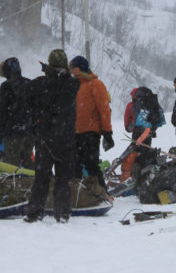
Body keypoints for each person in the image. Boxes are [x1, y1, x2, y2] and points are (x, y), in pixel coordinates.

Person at [24, 49, 80, 223]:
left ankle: (35, 213)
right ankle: (63, 212)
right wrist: (53, 72)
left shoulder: (40, 84)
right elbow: (65, 81)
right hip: (66, 139)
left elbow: (27, 90)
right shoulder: (72, 84)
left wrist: (47, 72)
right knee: (63, 179)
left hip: (44, 139)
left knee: (41, 179)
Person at [69, 55, 113, 186]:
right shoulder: (75, 85)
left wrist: (107, 133)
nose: (71, 71)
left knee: (91, 166)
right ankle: (78, 197)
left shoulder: (96, 84)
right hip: (75, 133)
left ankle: (101, 195)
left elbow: (104, 110)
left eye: (73, 68)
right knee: (75, 167)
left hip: (90, 133)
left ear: (79, 69)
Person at [0, 57, 33, 168]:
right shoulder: (29, 83)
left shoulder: (5, 86)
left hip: (12, 132)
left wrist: (0, 131)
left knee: (12, 162)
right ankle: (32, 183)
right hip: (29, 131)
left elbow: (2, 111)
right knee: (28, 160)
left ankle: (14, 184)